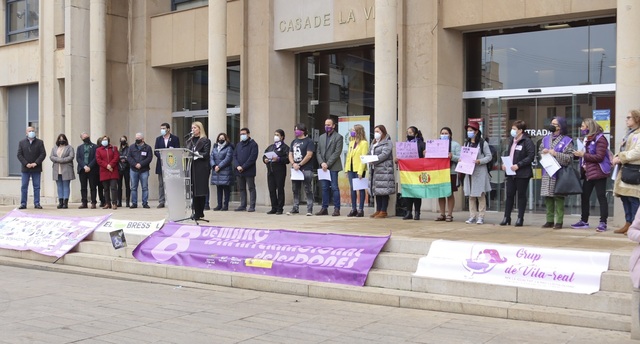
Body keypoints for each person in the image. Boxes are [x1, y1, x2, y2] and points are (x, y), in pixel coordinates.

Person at [571, 118, 611, 232]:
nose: (581, 128)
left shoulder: (600, 139)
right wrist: (577, 154)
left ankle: (603, 222)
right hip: (588, 172)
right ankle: (584, 220)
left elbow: (599, 157)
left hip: (599, 172)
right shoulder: (586, 139)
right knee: (585, 196)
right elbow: (585, 155)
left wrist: (583, 154)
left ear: (589, 127)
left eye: (583, 126)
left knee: (601, 197)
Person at [540, 117, 574, 229]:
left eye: (554, 124)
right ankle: (549, 220)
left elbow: (570, 157)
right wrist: (543, 152)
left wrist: (555, 154)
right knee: (548, 196)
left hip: (559, 172)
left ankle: (559, 221)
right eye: (551, 123)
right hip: (547, 171)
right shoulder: (545, 139)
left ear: (560, 126)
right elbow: (540, 152)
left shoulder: (567, 140)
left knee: (558, 197)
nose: (552, 125)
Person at [500, 120, 535, 227]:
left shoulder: (527, 141)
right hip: (510, 172)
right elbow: (508, 153)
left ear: (520, 130)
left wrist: (519, 165)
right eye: (512, 129)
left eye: (514, 129)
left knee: (521, 195)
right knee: (509, 194)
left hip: (522, 172)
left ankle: (520, 218)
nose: (512, 131)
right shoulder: (512, 140)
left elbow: (530, 156)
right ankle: (506, 217)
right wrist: (504, 164)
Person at [613, 110, 640, 234]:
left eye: (629, 117)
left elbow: (637, 152)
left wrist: (620, 157)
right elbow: (625, 149)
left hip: (634, 170)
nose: (626, 119)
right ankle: (628, 223)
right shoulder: (629, 133)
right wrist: (617, 156)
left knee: (633, 198)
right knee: (625, 197)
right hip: (626, 169)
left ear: (636, 118)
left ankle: (635, 226)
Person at [462, 121, 492, 225]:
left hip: (479, 172)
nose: (469, 132)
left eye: (471, 130)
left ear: (476, 132)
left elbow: (489, 156)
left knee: (480, 194)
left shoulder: (483, 143)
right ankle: (472, 216)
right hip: (469, 172)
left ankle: (481, 216)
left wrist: (479, 161)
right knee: (471, 195)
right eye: (468, 130)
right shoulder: (467, 143)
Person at [316, 118, 344, 216]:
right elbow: (318, 151)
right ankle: (324, 208)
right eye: (325, 124)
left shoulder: (338, 137)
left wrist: (327, 163)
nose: (326, 126)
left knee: (334, 187)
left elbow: (337, 152)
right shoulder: (321, 137)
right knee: (324, 188)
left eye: (328, 125)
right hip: (323, 167)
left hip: (333, 167)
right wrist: (322, 163)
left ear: (333, 126)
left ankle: (337, 208)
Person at [288, 123, 315, 216]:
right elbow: (290, 154)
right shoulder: (293, 142)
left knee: (307, 189)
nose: (296, 131)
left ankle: (309, 209)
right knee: (295, 189)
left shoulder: (309, 141)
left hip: (306, 169)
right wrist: (293, 163)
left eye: (297, 129)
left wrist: (299, 164)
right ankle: (295, 208)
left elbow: (309, 155)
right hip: (295, 169)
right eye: (295, 129)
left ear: (303, 130)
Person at [434, 127, 461, 222]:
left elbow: (461, 158)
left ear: (450, 134)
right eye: (442, 133)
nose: (444, 135)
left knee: (449, 193)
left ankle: (449, 214)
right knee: (440, 193)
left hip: (451, 171)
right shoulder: (436, 144)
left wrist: (452, 156)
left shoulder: (455, 145)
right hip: (439, 171)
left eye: (446, 133)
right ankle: (442, 213)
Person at [369, 125, 395, 219]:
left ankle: (383, 210)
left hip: (384, 170)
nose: (376, 133)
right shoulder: (374, 142)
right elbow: (370, 153)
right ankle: (378, 209)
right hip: (375, 169)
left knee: (384, 191)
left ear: (383, 132)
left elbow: (384, 154)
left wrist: (374, 160)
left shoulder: (387, 142)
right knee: (377, 190)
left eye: (378, 131)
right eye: (375, 131)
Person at [16, 126, 46, 209]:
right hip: (25, 168)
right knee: (24, 186)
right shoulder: (22, 142)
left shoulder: (40, 142)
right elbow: (19, 154)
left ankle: (37, 203)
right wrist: (26, 163)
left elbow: (43, 154)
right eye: (29, 131)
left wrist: (36, 163)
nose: (31, 132)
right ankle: (23, 203)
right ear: (26, 132)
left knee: (37, 187)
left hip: (36, 168)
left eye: (33, 130)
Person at [186, 121, 211, 220]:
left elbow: (206, 154)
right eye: (192, 128)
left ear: (200, 129)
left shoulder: (205, 140)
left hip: (201, 168)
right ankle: (196, 211)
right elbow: (186, 152)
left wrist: (197, 154)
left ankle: (200, 211)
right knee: (193, 190)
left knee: (200, 190)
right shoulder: (189, 140)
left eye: (195, 128)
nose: (193, 130)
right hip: (192, 166)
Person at [400, 126, 425, 220]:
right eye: (407, 133)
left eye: (410, 133)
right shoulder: (404, 144)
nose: (408, 134)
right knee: (408, 192)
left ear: (415, 134)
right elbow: (401, 155)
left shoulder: (421, 144)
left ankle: (417, 212)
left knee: (417, 193)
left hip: (417, 171)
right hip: (407, 172)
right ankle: (408, 212)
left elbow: (424, 157)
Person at [344, 124, 369, 217]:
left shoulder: (364, 143)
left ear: (358, 131)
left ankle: (360, 209)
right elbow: (348, 157)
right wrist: (346, 169)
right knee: (352, 189)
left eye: (353, 130)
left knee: (361, 189)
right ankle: (353, 208)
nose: (352, 132)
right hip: (351, 168)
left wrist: (360, 172)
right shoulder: (351, 142)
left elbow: (363, 158)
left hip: (359, 169)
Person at [263, 129, 290, 215]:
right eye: (275, 134)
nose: (275, 136)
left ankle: (280, 208)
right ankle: (273, 207)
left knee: (280, 189)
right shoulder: (271, 147)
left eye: (277, 135)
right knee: (271, 189)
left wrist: (278, 159)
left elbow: (287, 159)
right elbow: (264, 155)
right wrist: (265, 160)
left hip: (280, 171)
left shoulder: (285, 147)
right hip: (270, 170)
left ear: (282, 137)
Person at [154, 122, 180, 208]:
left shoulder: (175, 138)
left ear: (168, 129)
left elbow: (177, 150)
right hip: (161, 164)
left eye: (164, 128)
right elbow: (156, 151)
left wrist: (168, 158)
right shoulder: (158, 139)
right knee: (161, 184)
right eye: (161, 129)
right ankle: (161, 201)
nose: (162, 130)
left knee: (171, 183)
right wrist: (162, 157)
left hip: (171, 164)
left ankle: (172, 200)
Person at [233, 127, 259, 212]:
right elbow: (234, 156)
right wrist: (237, 166)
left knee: (251, 188)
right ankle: (242, 205)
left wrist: (243, 167)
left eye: (244, 134)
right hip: (238, 170)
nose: (242, 136)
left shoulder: (253, 144)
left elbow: (252, 158)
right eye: (241, 134)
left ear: (248, 134)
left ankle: (252, 206)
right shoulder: (238, 145)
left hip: (249, 170)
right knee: (241, 188)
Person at [127, 132, 153, 209]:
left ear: (142, 139)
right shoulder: (131, 147)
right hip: (133, 170)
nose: (137, 140)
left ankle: (145, 203)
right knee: (133, 187)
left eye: (138, 138)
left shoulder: (147, 147)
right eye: (136, 138)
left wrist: (141, 164)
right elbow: (129, 157)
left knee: (144, 187)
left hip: (144, 170)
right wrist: (135, 164)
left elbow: (149, 158)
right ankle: (134, 203)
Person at [49, 133, 75, 209]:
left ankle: (65, 202)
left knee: (66, 186)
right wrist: (58, 159)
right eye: (60, 139)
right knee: (59, 186)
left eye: (62, 139)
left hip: (66, 169)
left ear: (65, 140)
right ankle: (60, 202)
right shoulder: (54, 148)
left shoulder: (69, 148)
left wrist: (62, 160)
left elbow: (71, 156)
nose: (61, 140)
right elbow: (51, 156)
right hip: (57, 169)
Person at [210, 133, 234, 211]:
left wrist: (219, 166)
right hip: (216, 171)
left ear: (226, 139)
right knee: (219, 188)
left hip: (225, 170)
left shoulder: (229, 148)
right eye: (219, 138)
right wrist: (214, 166)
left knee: (226, 189)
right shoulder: (215, 147)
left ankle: (225, 205)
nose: (221, 139)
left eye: (222, 138)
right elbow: (211, 157)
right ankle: (219, 205)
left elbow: (228, 159)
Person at [96, 135, 120, 209]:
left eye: (106, 139)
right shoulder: (98, 150)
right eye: (103, 140)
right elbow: (99, 160)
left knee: (113, 187)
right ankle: (107, 203)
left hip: (113, 171)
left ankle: (114, 203)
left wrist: (111, 165)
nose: (104, 141)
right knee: (105, 188)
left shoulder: (114, 148)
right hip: (104, 171)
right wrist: (107, 166)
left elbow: (116, 157)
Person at [76, 132, 99, 209]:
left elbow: (96, 158)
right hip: (82, 169)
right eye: (84, 137)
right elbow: (78, 158)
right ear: (82, 138)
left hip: (92, 169)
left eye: (87, 136)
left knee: (93, 186)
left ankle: (93, 202)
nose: (86, 137)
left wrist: (89, 166)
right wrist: (84, 166)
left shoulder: (95, 147)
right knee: (83, 187)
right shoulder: (79, 147)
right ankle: (84, 202)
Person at [117, 136, 131, 208]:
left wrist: (125, 159)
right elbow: (117, 157)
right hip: (119, 168)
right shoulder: (118, 149)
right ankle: (119, 201)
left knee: (127, 185)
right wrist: (121, 158)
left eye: (124, 140)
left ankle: (128, 201)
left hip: (127, 168)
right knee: (119, 186)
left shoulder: (129, 149)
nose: (123, 141)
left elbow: (129, 157)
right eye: (121, 140)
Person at [95, 136, 107, 208]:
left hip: (105, 169)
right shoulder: (97, 150)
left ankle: (106, 200)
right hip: (98, 170)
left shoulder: (107, 149)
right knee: (100, 187)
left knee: (105, 186)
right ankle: (102, 200)